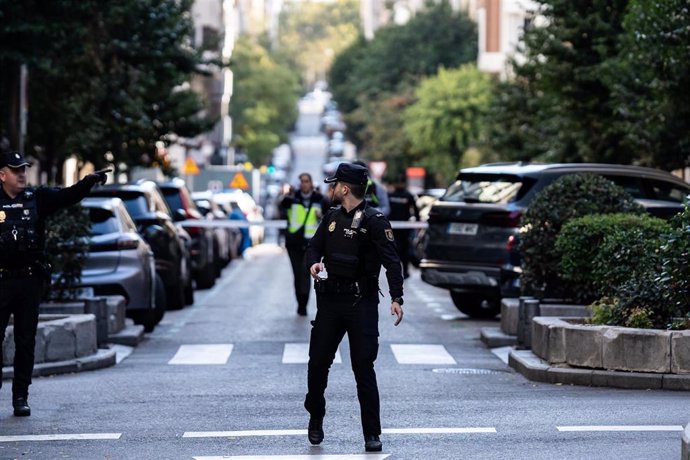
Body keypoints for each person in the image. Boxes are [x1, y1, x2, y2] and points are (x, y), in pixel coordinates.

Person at [304, 162, 404, 452]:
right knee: (318, 364)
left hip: (361, 302)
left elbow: (391, 261)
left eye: (334, 184)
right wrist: (313, 262)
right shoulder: (331, 217)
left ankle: (372, 434)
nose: (331, 188)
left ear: (345, 188)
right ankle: (316, 416)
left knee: (363, 367)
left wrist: (396, 298)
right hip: (331, 302)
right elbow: (314, 247)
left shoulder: (375, 221)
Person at [0, 151, 108, 417]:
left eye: (24, 169)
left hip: (28, 281)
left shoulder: (35, 198)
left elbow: (65, 196)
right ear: (2, 175)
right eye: (16, 170)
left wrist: (87, 182)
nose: (22, 174)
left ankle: (20, 397)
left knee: (25, 342)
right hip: (0, 282)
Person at [279, 173, 328, 315]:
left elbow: (330, 219)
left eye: (306, 181)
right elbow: (279, 206)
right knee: (297, 275)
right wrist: (288, 193)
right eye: (302, 181)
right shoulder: (291, 199)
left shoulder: (320, 199)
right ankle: (300, 302)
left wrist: (321, 217)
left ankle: (303, 305)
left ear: (311, 183)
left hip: (311, 244)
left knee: (305, 274)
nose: (304, 184)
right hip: (293, 243)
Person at [388, 174, 420, 279]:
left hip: (404, 228)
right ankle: (399, 271)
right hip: (394, 228)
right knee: (398, 251)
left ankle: (404, 271)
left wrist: (418, 223)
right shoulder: (391, 195)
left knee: (403, 251)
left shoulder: (407, 195)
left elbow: (415, 210)